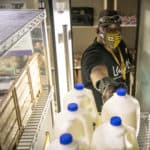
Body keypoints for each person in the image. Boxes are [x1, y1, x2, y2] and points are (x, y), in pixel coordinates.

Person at [81, 10, 133, 112]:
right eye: (107, 28)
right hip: (102, 115)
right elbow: (97, 71)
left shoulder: (121, 45)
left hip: (123, 107)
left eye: (117, 28)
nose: (113, 32)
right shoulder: (93, 53)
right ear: (97, 29)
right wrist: (107, 86)